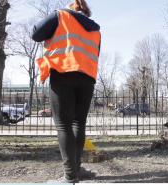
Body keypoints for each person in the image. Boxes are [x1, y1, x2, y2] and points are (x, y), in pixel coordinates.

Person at [31, 0, 101, 183]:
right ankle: (77, 170)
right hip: (87, 77)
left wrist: (53, 16)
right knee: (79, 124)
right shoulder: (95, 29)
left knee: (64, 125)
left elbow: (35, 35)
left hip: (63, 72)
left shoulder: (60, 15)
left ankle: (70, 177)